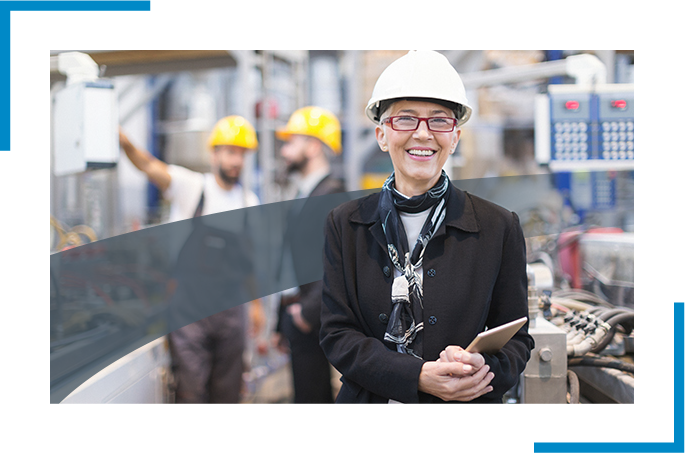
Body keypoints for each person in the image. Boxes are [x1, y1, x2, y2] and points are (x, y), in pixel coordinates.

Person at [319, 50, 534, 404]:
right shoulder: (345, 224)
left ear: (455, 137)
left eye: (439, 121)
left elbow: (517, 339)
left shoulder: (498, 227)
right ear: (382, 135)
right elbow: (336, 334)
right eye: (405, 119)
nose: (423, 134)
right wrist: (415, 376)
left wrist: (481, 370)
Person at [119, 115, 266, 403]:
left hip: (231, 315)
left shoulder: (249, 203)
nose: (236, 160)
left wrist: (257, 306)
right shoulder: (192, 187)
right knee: (191, 393)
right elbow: (149, 165)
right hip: (190, 315)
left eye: (242, 154)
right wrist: (124, 141)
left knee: (227, 395)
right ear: (214, 154)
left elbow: (250, 261)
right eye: (230, 152)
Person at [273, 106, 346, 403]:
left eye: (292, 142)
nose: (285, 151)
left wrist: (307, 313)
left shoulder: (332, 194)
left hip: (312, 317)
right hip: (297, 315)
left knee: (312, 397)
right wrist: (281, 322)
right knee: (305, 395)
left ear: (314, 146)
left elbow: (339, 263)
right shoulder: (305, 193)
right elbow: (293, 264)